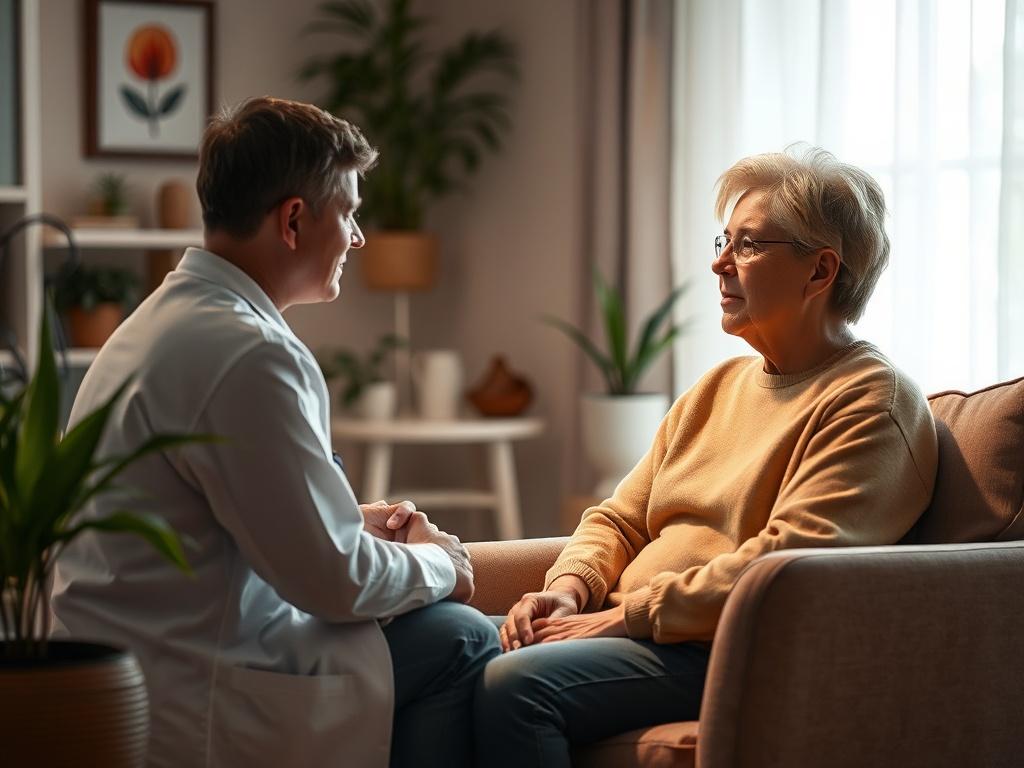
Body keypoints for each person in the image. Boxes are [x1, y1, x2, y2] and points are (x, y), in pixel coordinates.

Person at [50, 97, 500, 768]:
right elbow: (334, 582)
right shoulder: (250, 353)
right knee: (463, 636)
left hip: (136, 661)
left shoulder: (162, 322)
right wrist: (444, 563)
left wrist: (348, 519)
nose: (358, 237)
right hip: (198, 686)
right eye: (347, 212)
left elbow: (213, 512)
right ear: (293, 219)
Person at [475, 147, 939, 765]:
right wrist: (567, 590)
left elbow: (788, 563)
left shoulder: (871, 404)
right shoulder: (719, 386)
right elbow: (619, 517)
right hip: (637, 629)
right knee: (445, 644)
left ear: (820, 272)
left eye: (748, 246)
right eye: (724, 239)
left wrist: (624, 619)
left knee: (516, 684)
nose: (719, 262)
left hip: (720, 647)